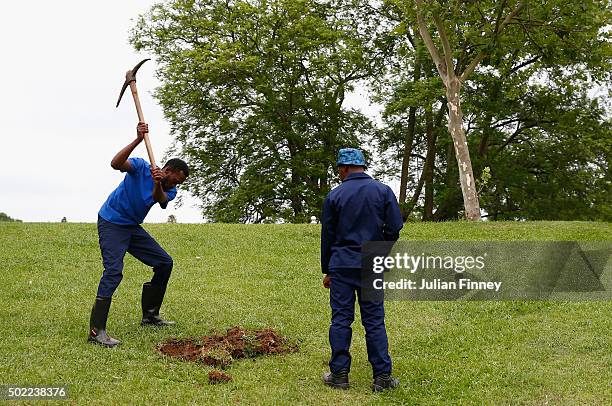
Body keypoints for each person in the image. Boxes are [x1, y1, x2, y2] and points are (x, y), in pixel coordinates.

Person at [88, 122, 189, 347]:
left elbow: (159, 199)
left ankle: (150, 316)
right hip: (112, 222)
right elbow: (115, 164)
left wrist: (158, 184)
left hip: (131, 227)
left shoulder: (169, 190)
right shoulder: (142, 167)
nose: (176, 184)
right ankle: (96, 332)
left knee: (164, 262)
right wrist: (137, 140)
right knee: (113, 271)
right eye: (175, 179)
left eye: (179, 183)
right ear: (169, 169)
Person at [320, 148, 403, 392]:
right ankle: (382, 378)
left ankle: (339, 375)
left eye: (338, 170)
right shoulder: (383, 191)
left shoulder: (334, 196)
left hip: (342, 265)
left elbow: (328, 237)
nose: (338, 174)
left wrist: (328, 270)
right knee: (375, 321)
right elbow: (395, 227)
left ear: (344, 168)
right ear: (362, 166)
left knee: (341, 320)